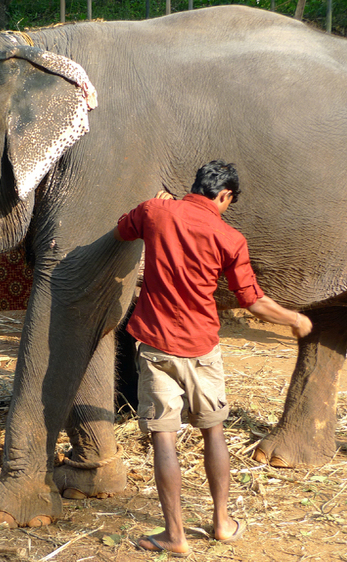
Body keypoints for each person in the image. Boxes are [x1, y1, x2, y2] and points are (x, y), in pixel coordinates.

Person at [112, 160, 313, 557]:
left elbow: (122, 229)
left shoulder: (156, 213)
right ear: (224, 196)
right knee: (213, 432)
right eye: (228, 202)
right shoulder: (230, 237)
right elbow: (251, 300)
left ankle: (174, 536)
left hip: (155, 346)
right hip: (203, 348)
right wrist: (295, 319)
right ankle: (222, 522)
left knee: (164, 439)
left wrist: (155, 204)